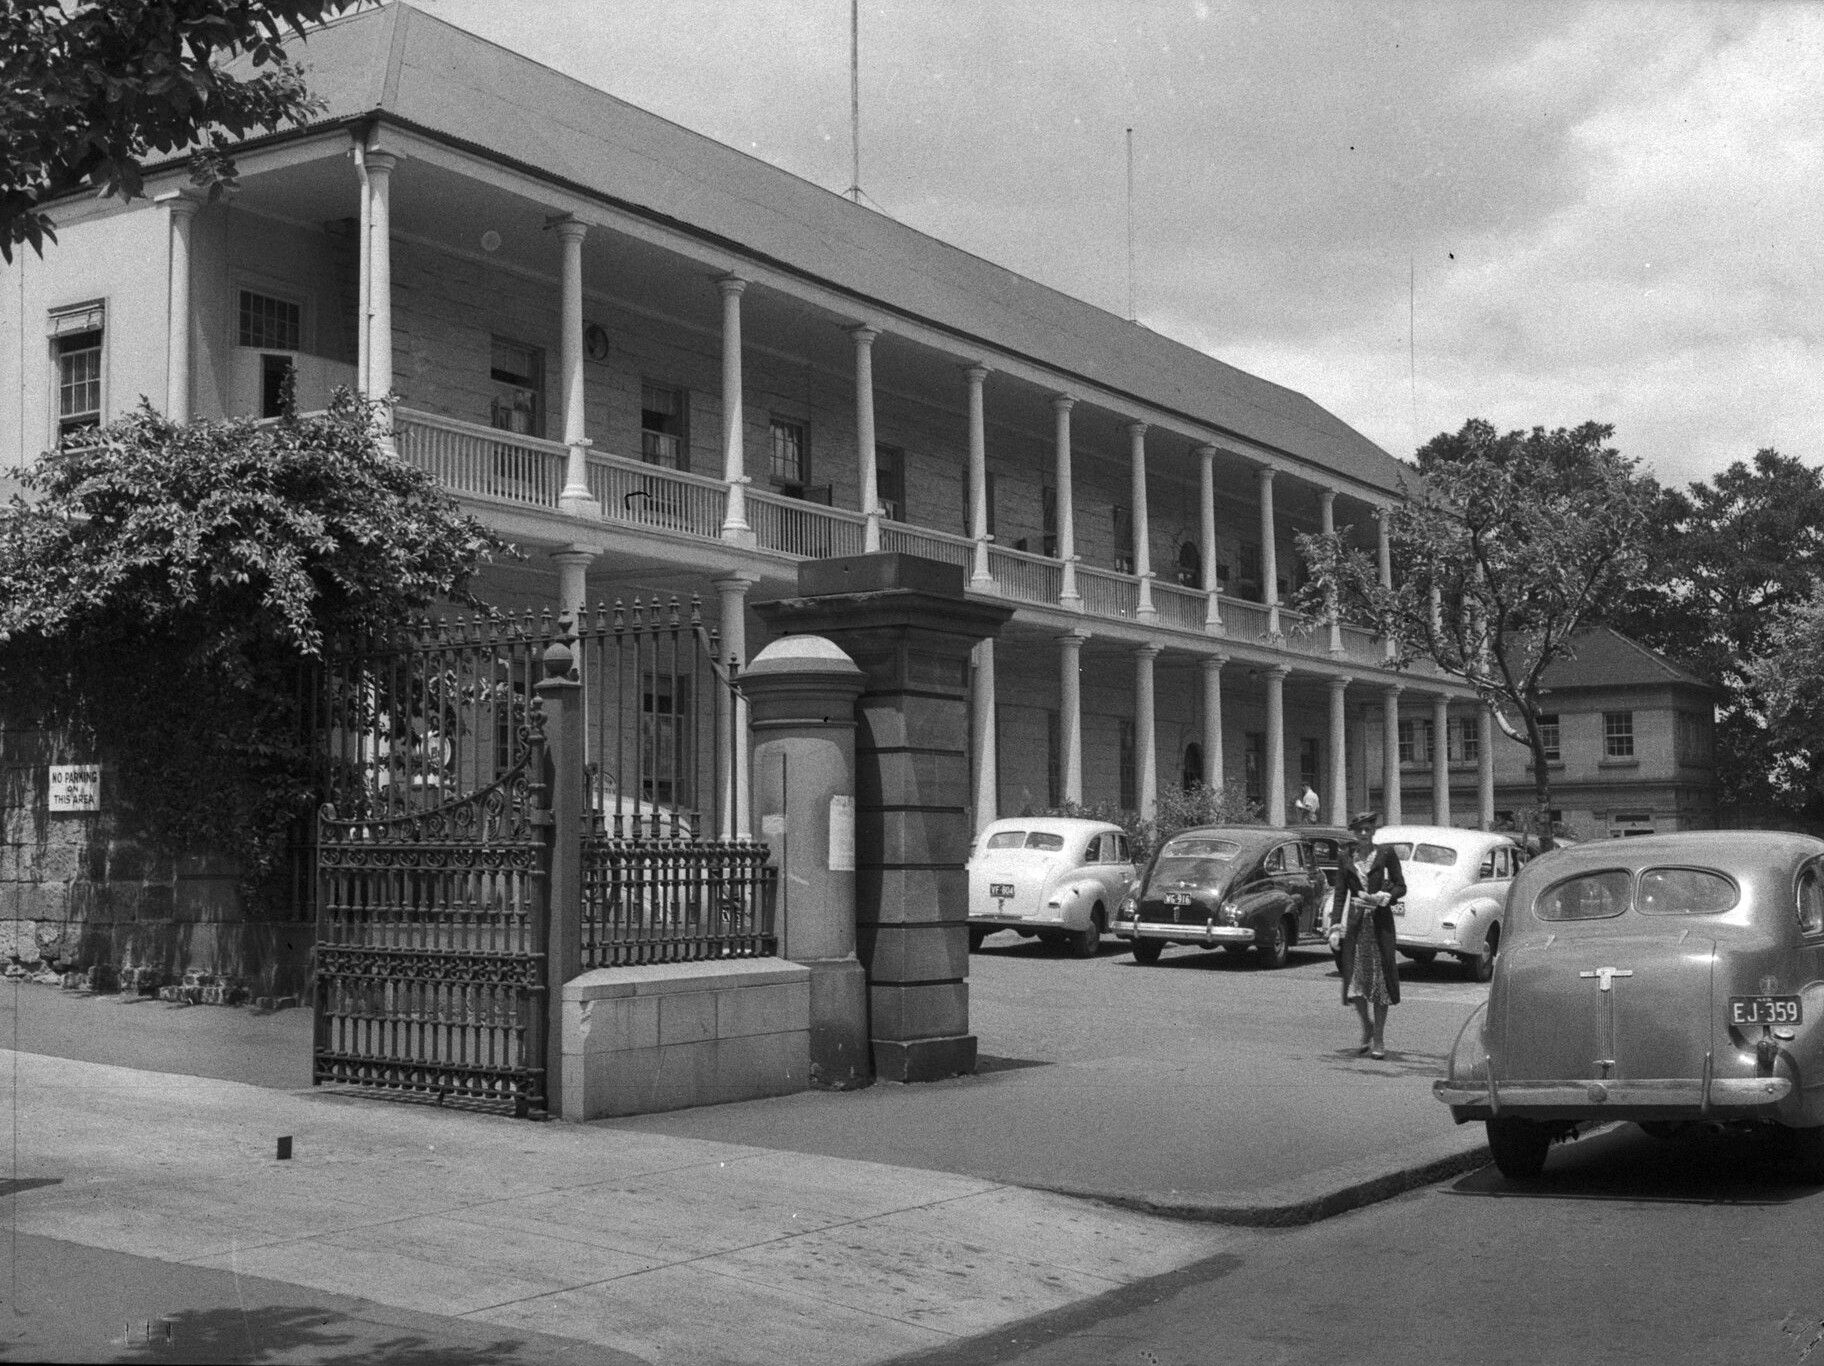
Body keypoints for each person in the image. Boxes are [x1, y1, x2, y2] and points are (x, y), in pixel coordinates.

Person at [1325, 810, 1405, 1058]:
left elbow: (1401, 885)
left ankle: (1379, 1038)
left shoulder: (1385, 854)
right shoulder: (1345, 856)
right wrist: (1335, 926)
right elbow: (1340, 894)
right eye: (1359, 829)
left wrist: (1385, 896)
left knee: (1380, 983)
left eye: (1367, 828)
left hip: (1380, 926)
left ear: (1373, 831)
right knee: (1355, 984)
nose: (1363, 833)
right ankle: (1366, 1025)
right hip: (1357, 927)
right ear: (1354, 832)